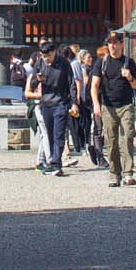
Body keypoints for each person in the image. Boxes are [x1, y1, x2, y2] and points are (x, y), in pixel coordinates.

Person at [91, 30, 136, 188]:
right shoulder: (102, 62)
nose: (112, 46)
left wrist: (130, 77)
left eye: (114, 42)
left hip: (126, 105)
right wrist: (96, 104)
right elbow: (94, 85)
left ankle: (128, 173)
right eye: (109, 43)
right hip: (108, 106)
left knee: (127, 138)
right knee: (111, 141)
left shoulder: (128, 62)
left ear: (120, 44)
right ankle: (114, 174)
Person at [33, 40, 77, 176]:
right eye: (44, 56)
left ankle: (56, 163)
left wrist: (74, 102)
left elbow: (72, 83)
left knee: (59, 134)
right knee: (50, 135)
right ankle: (51, 161)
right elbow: (32, 83)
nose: (46, 59)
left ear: (54, 53)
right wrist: (38, 79)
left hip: (61, 103)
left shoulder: (64, 63)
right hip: (46, 103)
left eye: (49, 56)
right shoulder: (40, 63)